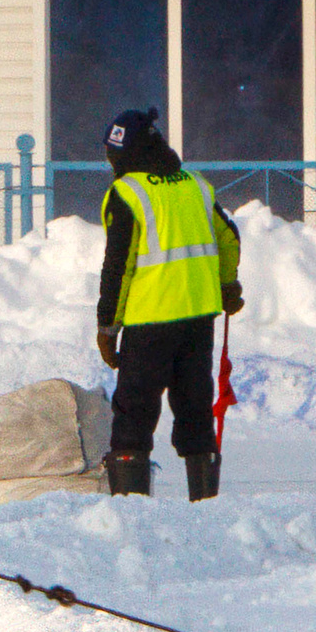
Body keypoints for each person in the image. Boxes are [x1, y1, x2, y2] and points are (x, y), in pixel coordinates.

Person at [92, 108, 241, 502]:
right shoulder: (196, 185)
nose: (111, 164)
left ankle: (132, 512)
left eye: (112, 156)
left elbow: (118, 267)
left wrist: (108, 326)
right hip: (198, 318)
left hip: (150, 321)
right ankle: (205, 504)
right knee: (195, 409)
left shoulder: (127, 193)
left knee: (134, 417)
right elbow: (228, 238)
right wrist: (228, 286)